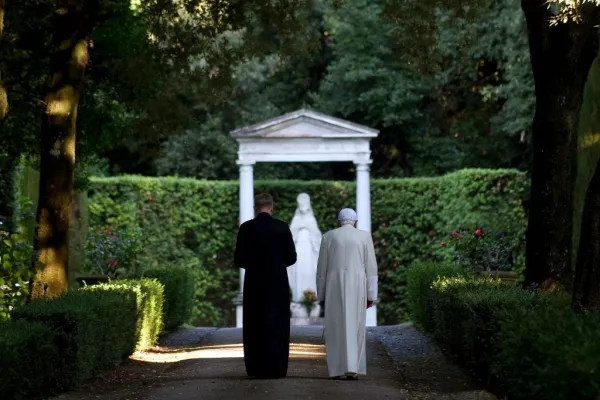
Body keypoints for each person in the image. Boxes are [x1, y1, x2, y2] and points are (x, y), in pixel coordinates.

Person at [234, 193, 297, 379]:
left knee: (254, 322)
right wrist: (276, 265)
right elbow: (292, 257)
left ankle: (256, 367)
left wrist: (255, 266)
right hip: (277, 281)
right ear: (272, 206)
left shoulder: (246, 228)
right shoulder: (282, 227)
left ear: (256, 208)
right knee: (278, 322)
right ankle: (276, 367)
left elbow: (239, 258)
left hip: (254, 281)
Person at [316, 208, 378, 380]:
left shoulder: (328, 237)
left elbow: (322, 269)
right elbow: (371, 268)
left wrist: (321, 294)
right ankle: (353, 367)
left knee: (335, 326)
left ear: (339, 221)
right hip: (357, 286)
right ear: (355, 221)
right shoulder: (364, 237)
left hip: (334, 286)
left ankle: (336, 369)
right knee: (356, 326)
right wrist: (371, 295)